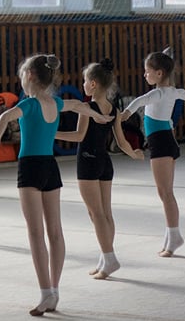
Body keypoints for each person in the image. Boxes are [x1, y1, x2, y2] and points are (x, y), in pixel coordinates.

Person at [0, 55, 113, 317]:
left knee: (36, 233)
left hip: (31, 168)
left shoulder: (29, 104)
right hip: (50, 168)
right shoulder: (55, 102)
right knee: (54, 231)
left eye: (22, 75)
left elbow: (7, 115)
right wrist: (94, 114)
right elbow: (77, 104)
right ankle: (53, 288)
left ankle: (46, 293)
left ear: (30, 76)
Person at [54, 60, 142, 279]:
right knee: (105, 213)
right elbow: (121, 142)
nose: (82, 84)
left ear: (93, 84)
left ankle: (110, 258)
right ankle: (105, 258)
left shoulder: (87, 108)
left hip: (88, 161)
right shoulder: (113, 109)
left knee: (96, 214)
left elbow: (79, 136)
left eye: (85, 81)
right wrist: (134, 153)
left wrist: (51, 134)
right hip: (104, 162)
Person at [118, 49, 185, 257]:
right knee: (165, 192)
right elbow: (184, 94)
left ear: (159, 73)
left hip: (161, 144)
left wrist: (123, 115)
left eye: (147, 71)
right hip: (167, 141)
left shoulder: (156, 93)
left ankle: (174, 236)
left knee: (165, 193)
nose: (144, 75)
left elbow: (138, 101)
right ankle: (170, 235)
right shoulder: (173, 91)